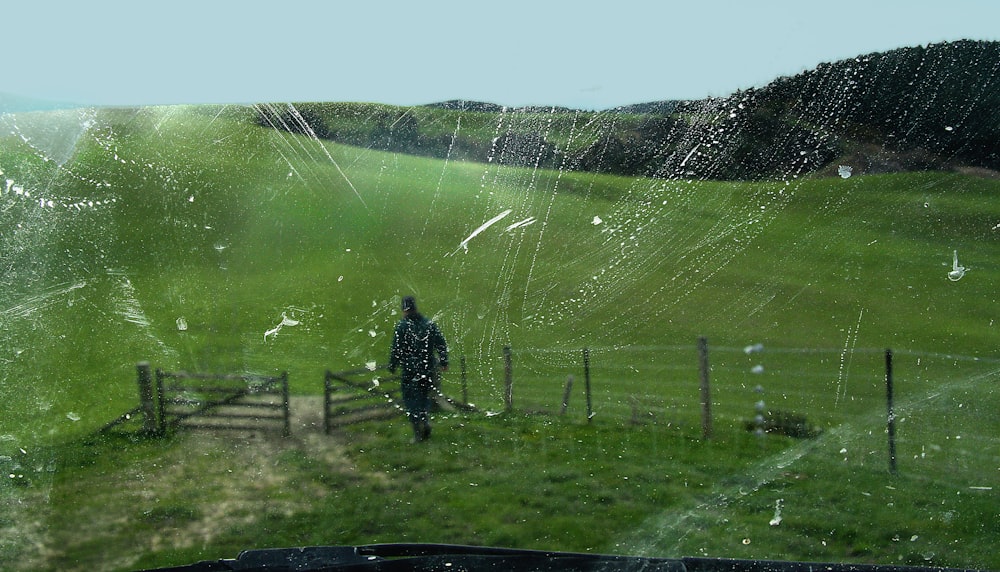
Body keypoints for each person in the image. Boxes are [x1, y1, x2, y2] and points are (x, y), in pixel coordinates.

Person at [388, 296, 449, 442]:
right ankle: (425, 421)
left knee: (411, 400)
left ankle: (417, 432)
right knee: (424, 397)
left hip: (410, 369)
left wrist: (393, 365)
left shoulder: (402, 326)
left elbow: (397, 349)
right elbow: (440, 343)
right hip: (427, 368)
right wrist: (444, 361)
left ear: (404, 310)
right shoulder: (428, 323)